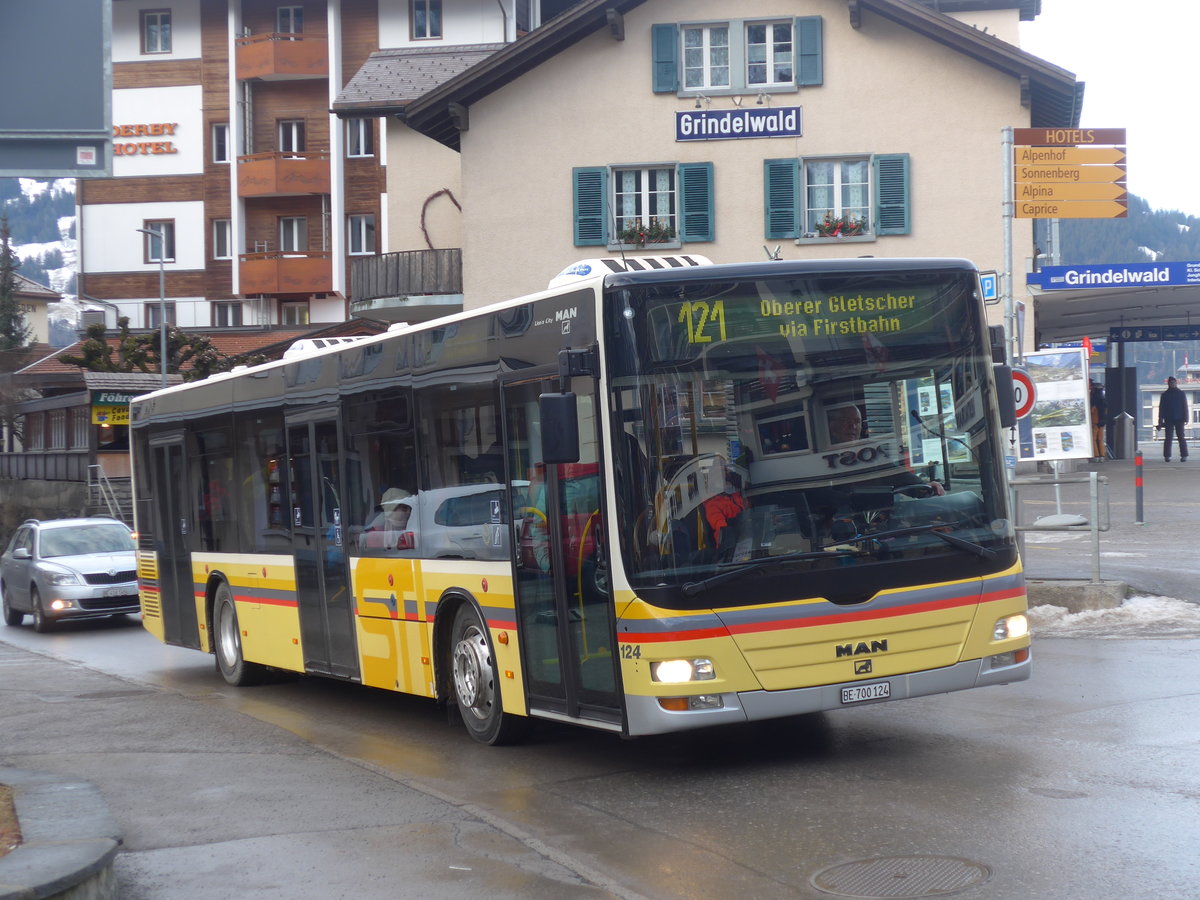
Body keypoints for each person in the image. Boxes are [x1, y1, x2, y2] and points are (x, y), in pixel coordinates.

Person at [1158, 376, 1189, 462]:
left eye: (1174, 382)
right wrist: (1160, 421)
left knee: (1181, 437)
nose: (1173, 384)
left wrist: (1186, 418)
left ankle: (1184, 455)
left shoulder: (1181, 394)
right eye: (1171, 383)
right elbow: (1161, 409)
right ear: (1169, 384)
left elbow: (1185, 407)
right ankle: (1167, 456)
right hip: (1169, 419)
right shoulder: (1164, 395)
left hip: (1180, 419)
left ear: (1176, 383)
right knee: (1168, 438)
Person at [1089, 379, 1108, 462]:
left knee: (1093, 439)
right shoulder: (1103, 400)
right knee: (1100, 439)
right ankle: (1102, 455)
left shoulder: (1094, 399)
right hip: (1102, 422)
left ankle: (1096, 455)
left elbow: (1092, 411)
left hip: (1095, 422)